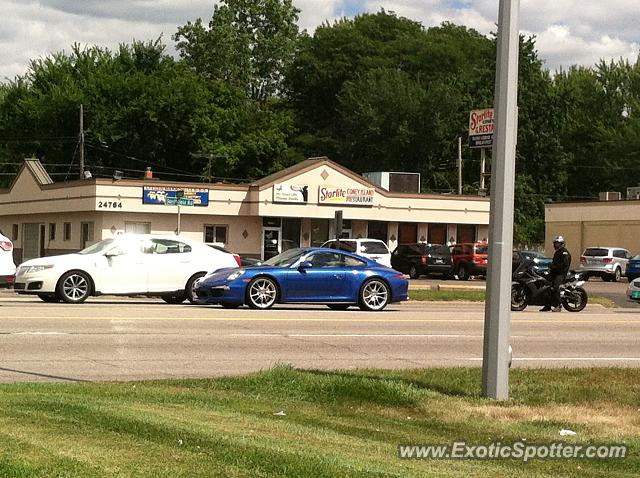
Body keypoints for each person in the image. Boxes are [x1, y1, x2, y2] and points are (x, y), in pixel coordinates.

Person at [540, 235, 572, 312]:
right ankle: (547, 306)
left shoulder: (564, 253)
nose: (555, 245)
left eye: (557, 243)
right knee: (545, 284)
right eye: (555, 243)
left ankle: (558, 305)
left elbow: (564, 264)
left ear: (561, 243)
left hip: (561, 274)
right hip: (554, 273)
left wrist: (554, 266)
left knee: (555, 287)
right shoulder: (557, 252)